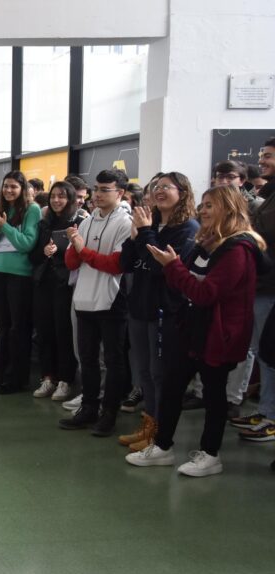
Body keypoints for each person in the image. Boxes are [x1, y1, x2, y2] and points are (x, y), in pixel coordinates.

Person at [127, 186, 268, 476]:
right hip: (192, 328)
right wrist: (172, 266)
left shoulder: (239, 249)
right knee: (172, 385)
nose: (202, 211)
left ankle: (210, 454)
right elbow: (185, 281)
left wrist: (173, 267)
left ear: (229, 209)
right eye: (202, 205)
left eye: (210, 206)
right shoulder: (207, 243)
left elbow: (206, 293)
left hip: (219, 333)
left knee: (214, 395)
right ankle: (163, 447)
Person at [117, 173, 199, 452]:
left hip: (164, 310)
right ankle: (148, 426)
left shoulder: (187, 229)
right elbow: (126, 263)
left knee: (159, 373)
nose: (159, 191)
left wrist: (146, 233)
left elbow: (158, 268)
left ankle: (160, 433)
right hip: (139, 307)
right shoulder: (148, 224)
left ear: (183, 192)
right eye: (156, 187)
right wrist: (134, 236)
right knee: (144, 372)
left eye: (166, 186)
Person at [59, 168, 133, 436]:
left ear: (120, 193)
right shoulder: (88, 221)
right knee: (87, 359)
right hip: (84, 298)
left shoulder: (126, 223)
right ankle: (89, 407)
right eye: (96, 189)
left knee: (113, 360)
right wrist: (77, 248)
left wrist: (81, 249)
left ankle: (109, 412)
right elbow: (70, 261)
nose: (97, 194)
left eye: (105, 190)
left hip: (111, 300)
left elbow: (115, 264)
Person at [0, 170, 40, 394]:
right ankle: (0, 374)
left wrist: (5, 227)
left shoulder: (32, 210)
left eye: (14, 186)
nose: (9, 190)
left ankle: (17, 378)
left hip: (20, 276)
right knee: (1, 327)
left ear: (22, 189)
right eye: (6, 186)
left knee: (18, 328)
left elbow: (27, 243)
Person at [232, 137, 275, 442]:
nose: (262, 160)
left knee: (270, 353)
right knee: (263, 352)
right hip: (259, 282)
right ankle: (267, 409)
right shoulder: (267, 194)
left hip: (270, 284)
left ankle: (272, 416)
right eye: (262, 155)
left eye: (268, 156)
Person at [28, 181, 81, 402]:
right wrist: (44, 251)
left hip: (65, 285)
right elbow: (32, 257)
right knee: (44, 331)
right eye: (54, 196)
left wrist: (60, 251)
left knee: (63, 332)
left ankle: (65, 380)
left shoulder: (78, 222)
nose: (57, 200)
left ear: (70, 199)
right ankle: (48, 376)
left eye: (62, 196)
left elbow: (81, 254)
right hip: (43, 283)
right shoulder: (44, 224)